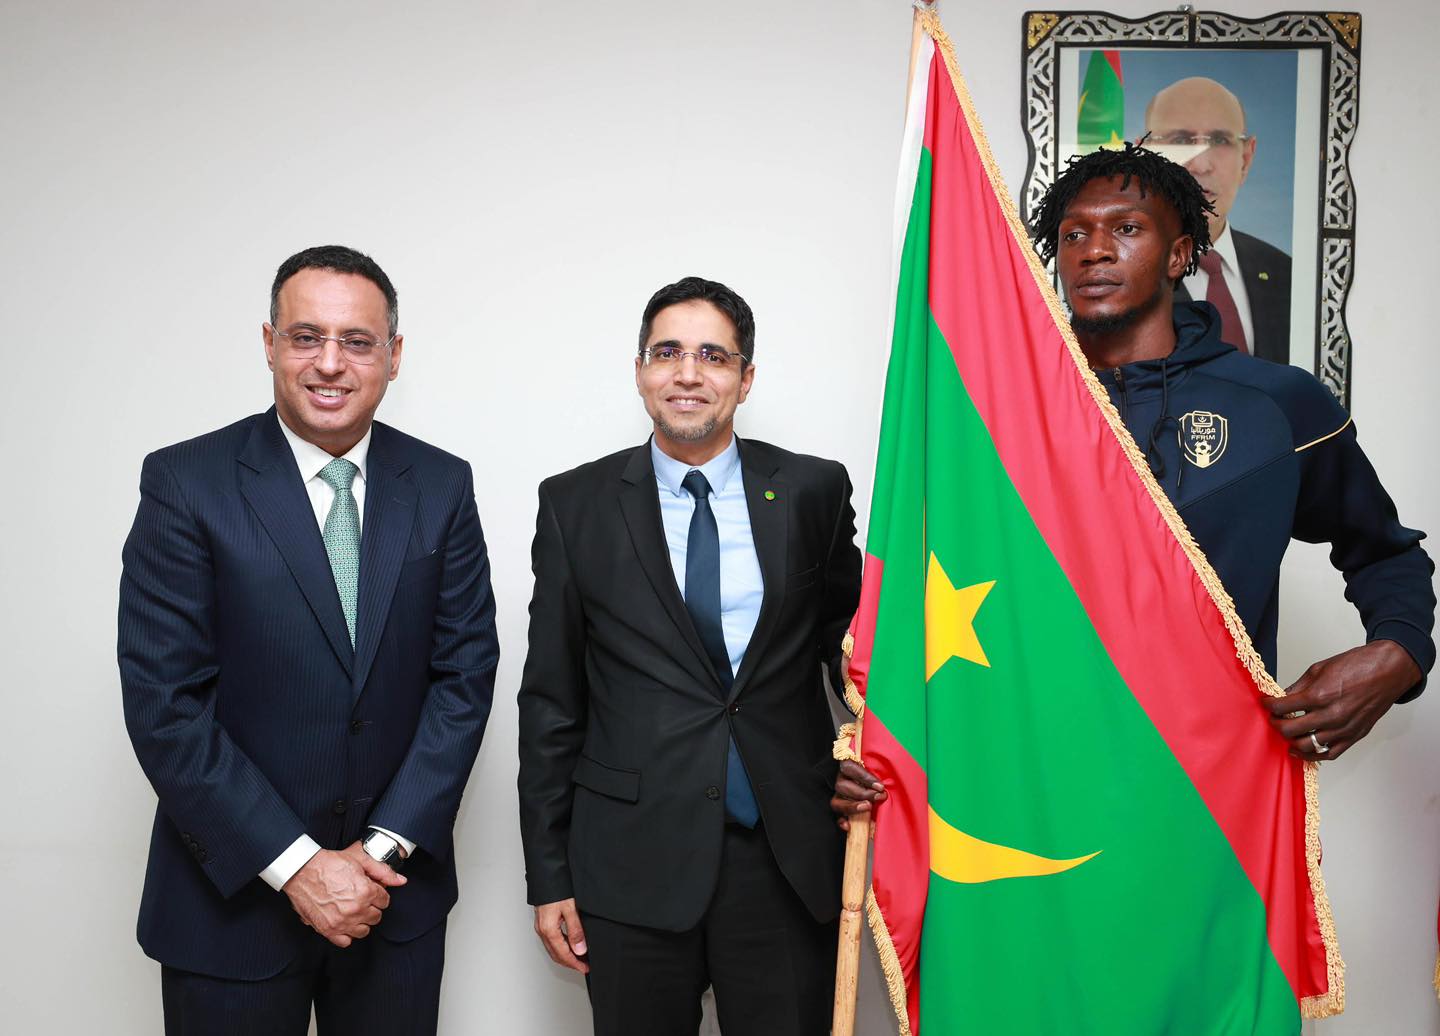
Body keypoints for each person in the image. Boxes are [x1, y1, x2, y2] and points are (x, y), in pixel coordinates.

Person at [118, 245, 499, 1035]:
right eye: (305, 337)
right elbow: (165, 705)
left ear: (393, 357)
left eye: (357, 342)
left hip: (393, 905)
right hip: (229, 910)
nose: (330, 363)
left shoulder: (442, 484)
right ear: (268, 343)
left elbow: (463, 678)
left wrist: (380, 855)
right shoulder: (186, 483)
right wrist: (297, 866)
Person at [517, 276, 863, 1035]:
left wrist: (880, 751)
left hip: (783, 857)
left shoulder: (810, 490)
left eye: (713, 355)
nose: (688, 373)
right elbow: (551, 702)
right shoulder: (575, 504)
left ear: (746, 377)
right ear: (640, 370)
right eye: (667, 352)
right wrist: (549, 876)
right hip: (630, 865)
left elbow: (857, 649)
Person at [1027, 143, 1434, 759]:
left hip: (1211, 777)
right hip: (1029, 770)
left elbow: (1383, 551)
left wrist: (1398, 653)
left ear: (1180, 254)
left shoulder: (1274, 403)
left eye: (1127, 228)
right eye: (1074, 234)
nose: (1095, 251)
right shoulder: (1007, 405)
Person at [1144, 76, 1293, 364]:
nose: (1200, 164)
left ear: (1246, 160)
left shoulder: (1287, 274)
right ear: (1146, 154)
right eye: (1181, 140)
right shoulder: (1121, 278)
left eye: (1220, 140)